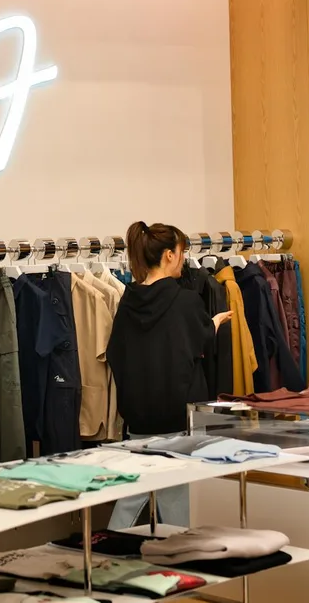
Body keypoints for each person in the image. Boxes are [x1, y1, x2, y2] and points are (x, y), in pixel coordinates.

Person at [106, 221, 232, 528]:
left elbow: (115, 355)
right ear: (168, 256)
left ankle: (107, 553)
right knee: (176, 499)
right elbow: (199, 339)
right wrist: (214, 323)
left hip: (138, 419)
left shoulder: (128, 301)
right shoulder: (185, 301)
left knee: (132, 493)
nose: (183, 259)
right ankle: (183, 563)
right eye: (181, 252)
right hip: (178, 420)